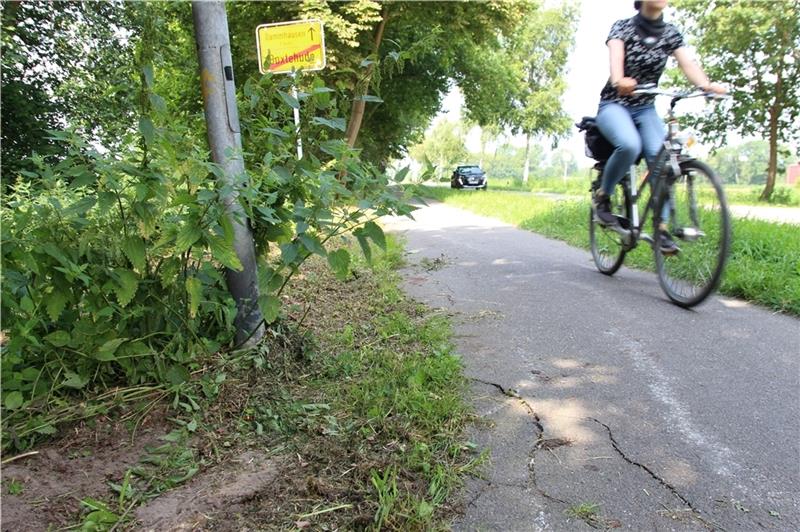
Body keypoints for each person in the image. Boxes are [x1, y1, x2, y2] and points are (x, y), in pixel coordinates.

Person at [593, 0, 726, 253]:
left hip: (645, 108)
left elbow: (688, 64)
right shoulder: (622, 28)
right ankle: (603, 198)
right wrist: (620, 80)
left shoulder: (670, 33)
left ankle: (661, 228)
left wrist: (707, 86)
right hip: (614, 105)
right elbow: (616, 64)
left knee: (661, 159)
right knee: (630, 145)